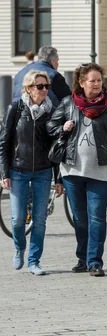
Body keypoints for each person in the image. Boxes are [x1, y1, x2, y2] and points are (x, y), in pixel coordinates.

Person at [47, 63, 107, 276]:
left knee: (97, 217)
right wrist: (63, 127)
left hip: (102, 171)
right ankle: (82, 258)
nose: (96, 84)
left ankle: (95, 262)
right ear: (82, 83)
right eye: (92, 80)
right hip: (72, 171)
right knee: (80, 218)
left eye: (99, 80)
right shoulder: (68, 104)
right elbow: (49, 127)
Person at [0, 70, 64, 275]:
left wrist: (58, 178)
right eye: (40, 86)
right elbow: (3, 142)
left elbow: (56, 148)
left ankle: (34, 261)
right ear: (28, 88)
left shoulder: (51, 111)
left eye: (47, 86)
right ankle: (19, 247)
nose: (44, 90)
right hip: (18, 171)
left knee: (40, 219)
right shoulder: (16, 109)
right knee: (18, 219)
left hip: (43, 172)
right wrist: (4, 173)